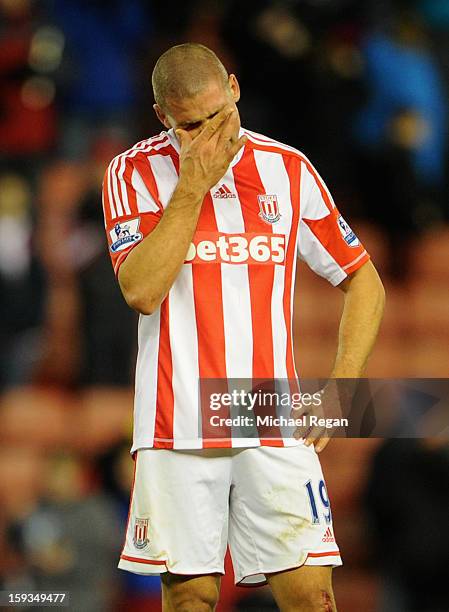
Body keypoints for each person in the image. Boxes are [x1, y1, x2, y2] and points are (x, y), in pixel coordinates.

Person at [102, 43, 385, 612]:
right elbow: (141, 290)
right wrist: (191, 187)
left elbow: (364, 281)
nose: (210, 136)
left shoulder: (287, 169)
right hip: (174, 419)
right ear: (163, 118)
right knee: (191, 600)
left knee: (312, 597)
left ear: (234, 87)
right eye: (191, 126)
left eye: (219, 116)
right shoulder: (130, 173)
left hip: (267, 410)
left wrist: (343, 385)